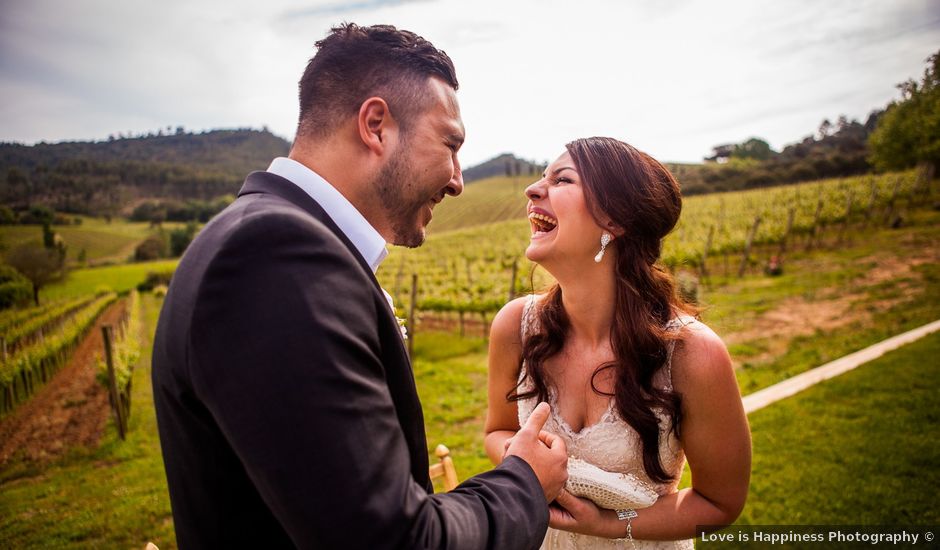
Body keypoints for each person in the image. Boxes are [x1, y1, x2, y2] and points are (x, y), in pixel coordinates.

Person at [152, 23, 567, 549]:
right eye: (450, 144)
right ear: (376, 125)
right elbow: (392, 538)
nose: (459, 180)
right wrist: (524, 480)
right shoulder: (272, 254)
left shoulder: (258, 235)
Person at [484, 137, 751, 549]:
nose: (532, 189)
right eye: (541, 178)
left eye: (562, 180)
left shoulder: (691, 352)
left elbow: (719, 503)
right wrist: (526, 464)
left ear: (615, 220)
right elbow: (498, 431)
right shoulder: (515, 326)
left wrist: (610, 524)